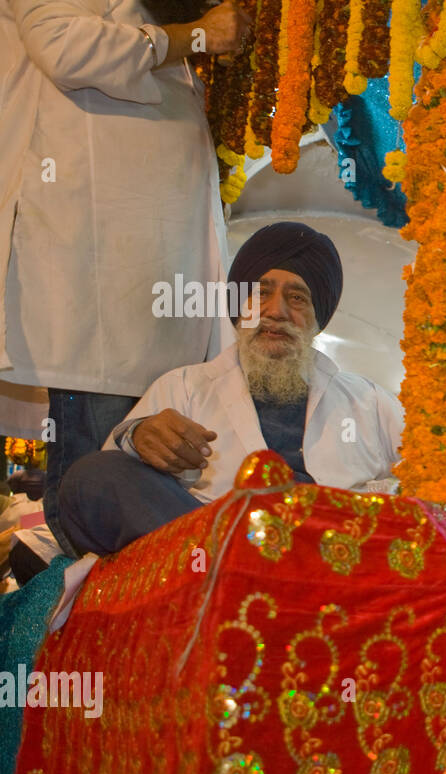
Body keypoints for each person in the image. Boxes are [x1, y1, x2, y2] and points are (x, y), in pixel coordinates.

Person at [1, 0, 251, 554]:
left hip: (165, 304)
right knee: (103, 497)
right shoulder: (178, 32)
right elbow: (62, 44)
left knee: (156, 499)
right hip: (99, 303)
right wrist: (196, 36)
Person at [56, 222, 403, 556]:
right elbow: (117, 486)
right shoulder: (184, 387)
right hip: (211, 550)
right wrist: (139, 439)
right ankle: (241, 562)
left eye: (297, 298)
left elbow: (437, 478)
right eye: (261, 293)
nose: (275, 311)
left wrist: (369, 499)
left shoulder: (369, 402)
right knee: (94, 477)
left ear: (317, 318)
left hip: (334, 555)